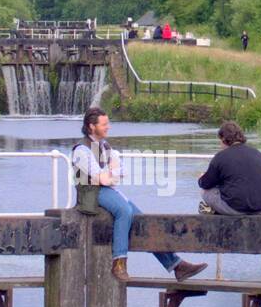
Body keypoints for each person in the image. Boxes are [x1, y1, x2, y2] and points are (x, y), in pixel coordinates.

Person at [72, 108, 208, 283]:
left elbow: (122, 172)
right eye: (104, 124)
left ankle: (176, 265)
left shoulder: (105, 146)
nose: (109, 127)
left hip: (107, 191)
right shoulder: (81, 150)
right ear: (91, 126)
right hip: (90, 195)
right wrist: (110, 173)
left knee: (142, 220)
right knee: (124, 211)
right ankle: (118, 263)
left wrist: (110, 174)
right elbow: (104, 179)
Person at [197, 121, 261, 215]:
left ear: (224, 139)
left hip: (236, 209)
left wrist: (201, 177)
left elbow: (205, 184)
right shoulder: (258, 154)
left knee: (205, 192)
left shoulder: (221, 157)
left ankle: (213, 211)